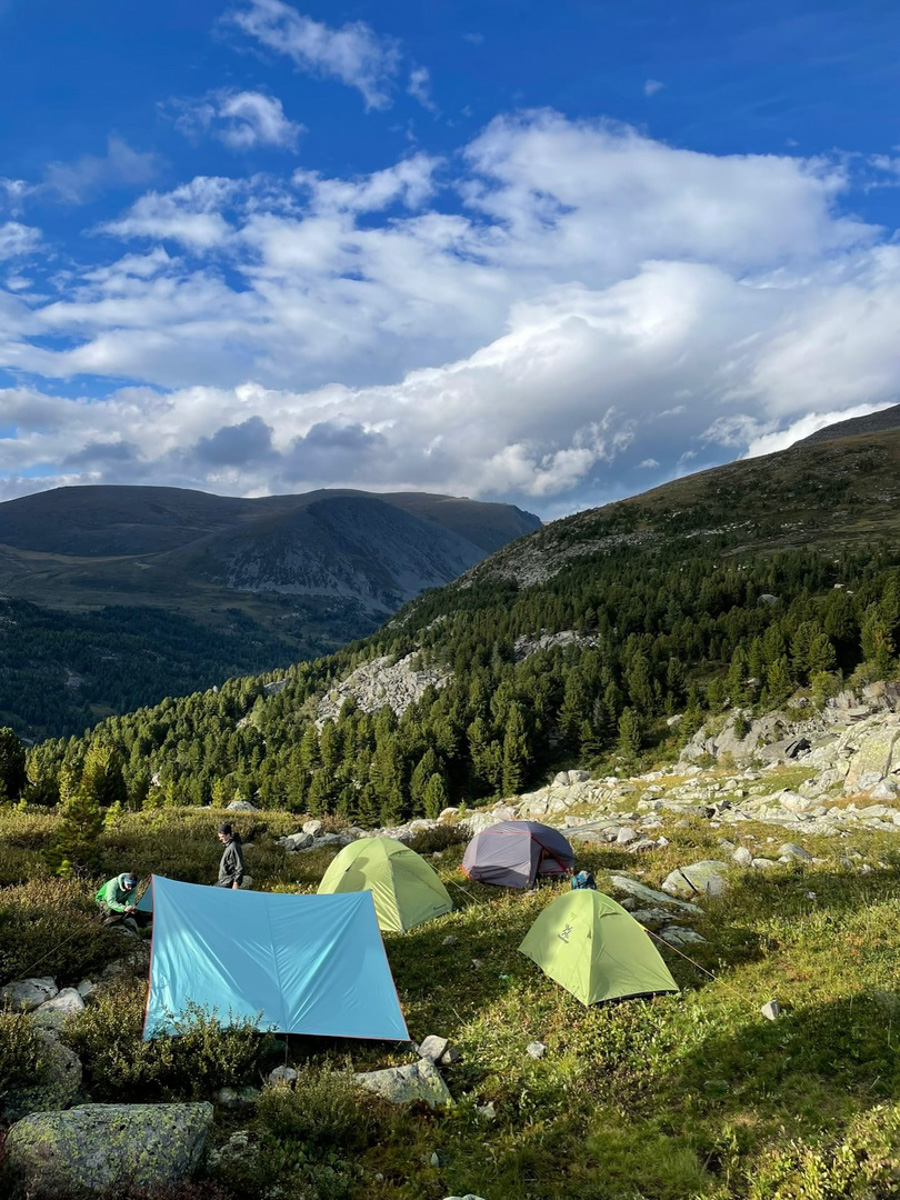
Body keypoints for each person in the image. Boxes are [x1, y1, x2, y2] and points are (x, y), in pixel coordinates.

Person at [216, 823, 245, 889]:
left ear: (228, 835)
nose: (220, 839)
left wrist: (236, 883)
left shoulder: (234, 846)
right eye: (219, 837)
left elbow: (239, 867)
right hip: (223, 881)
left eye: (222, 836)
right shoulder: (229, 846)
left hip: (228, 882)